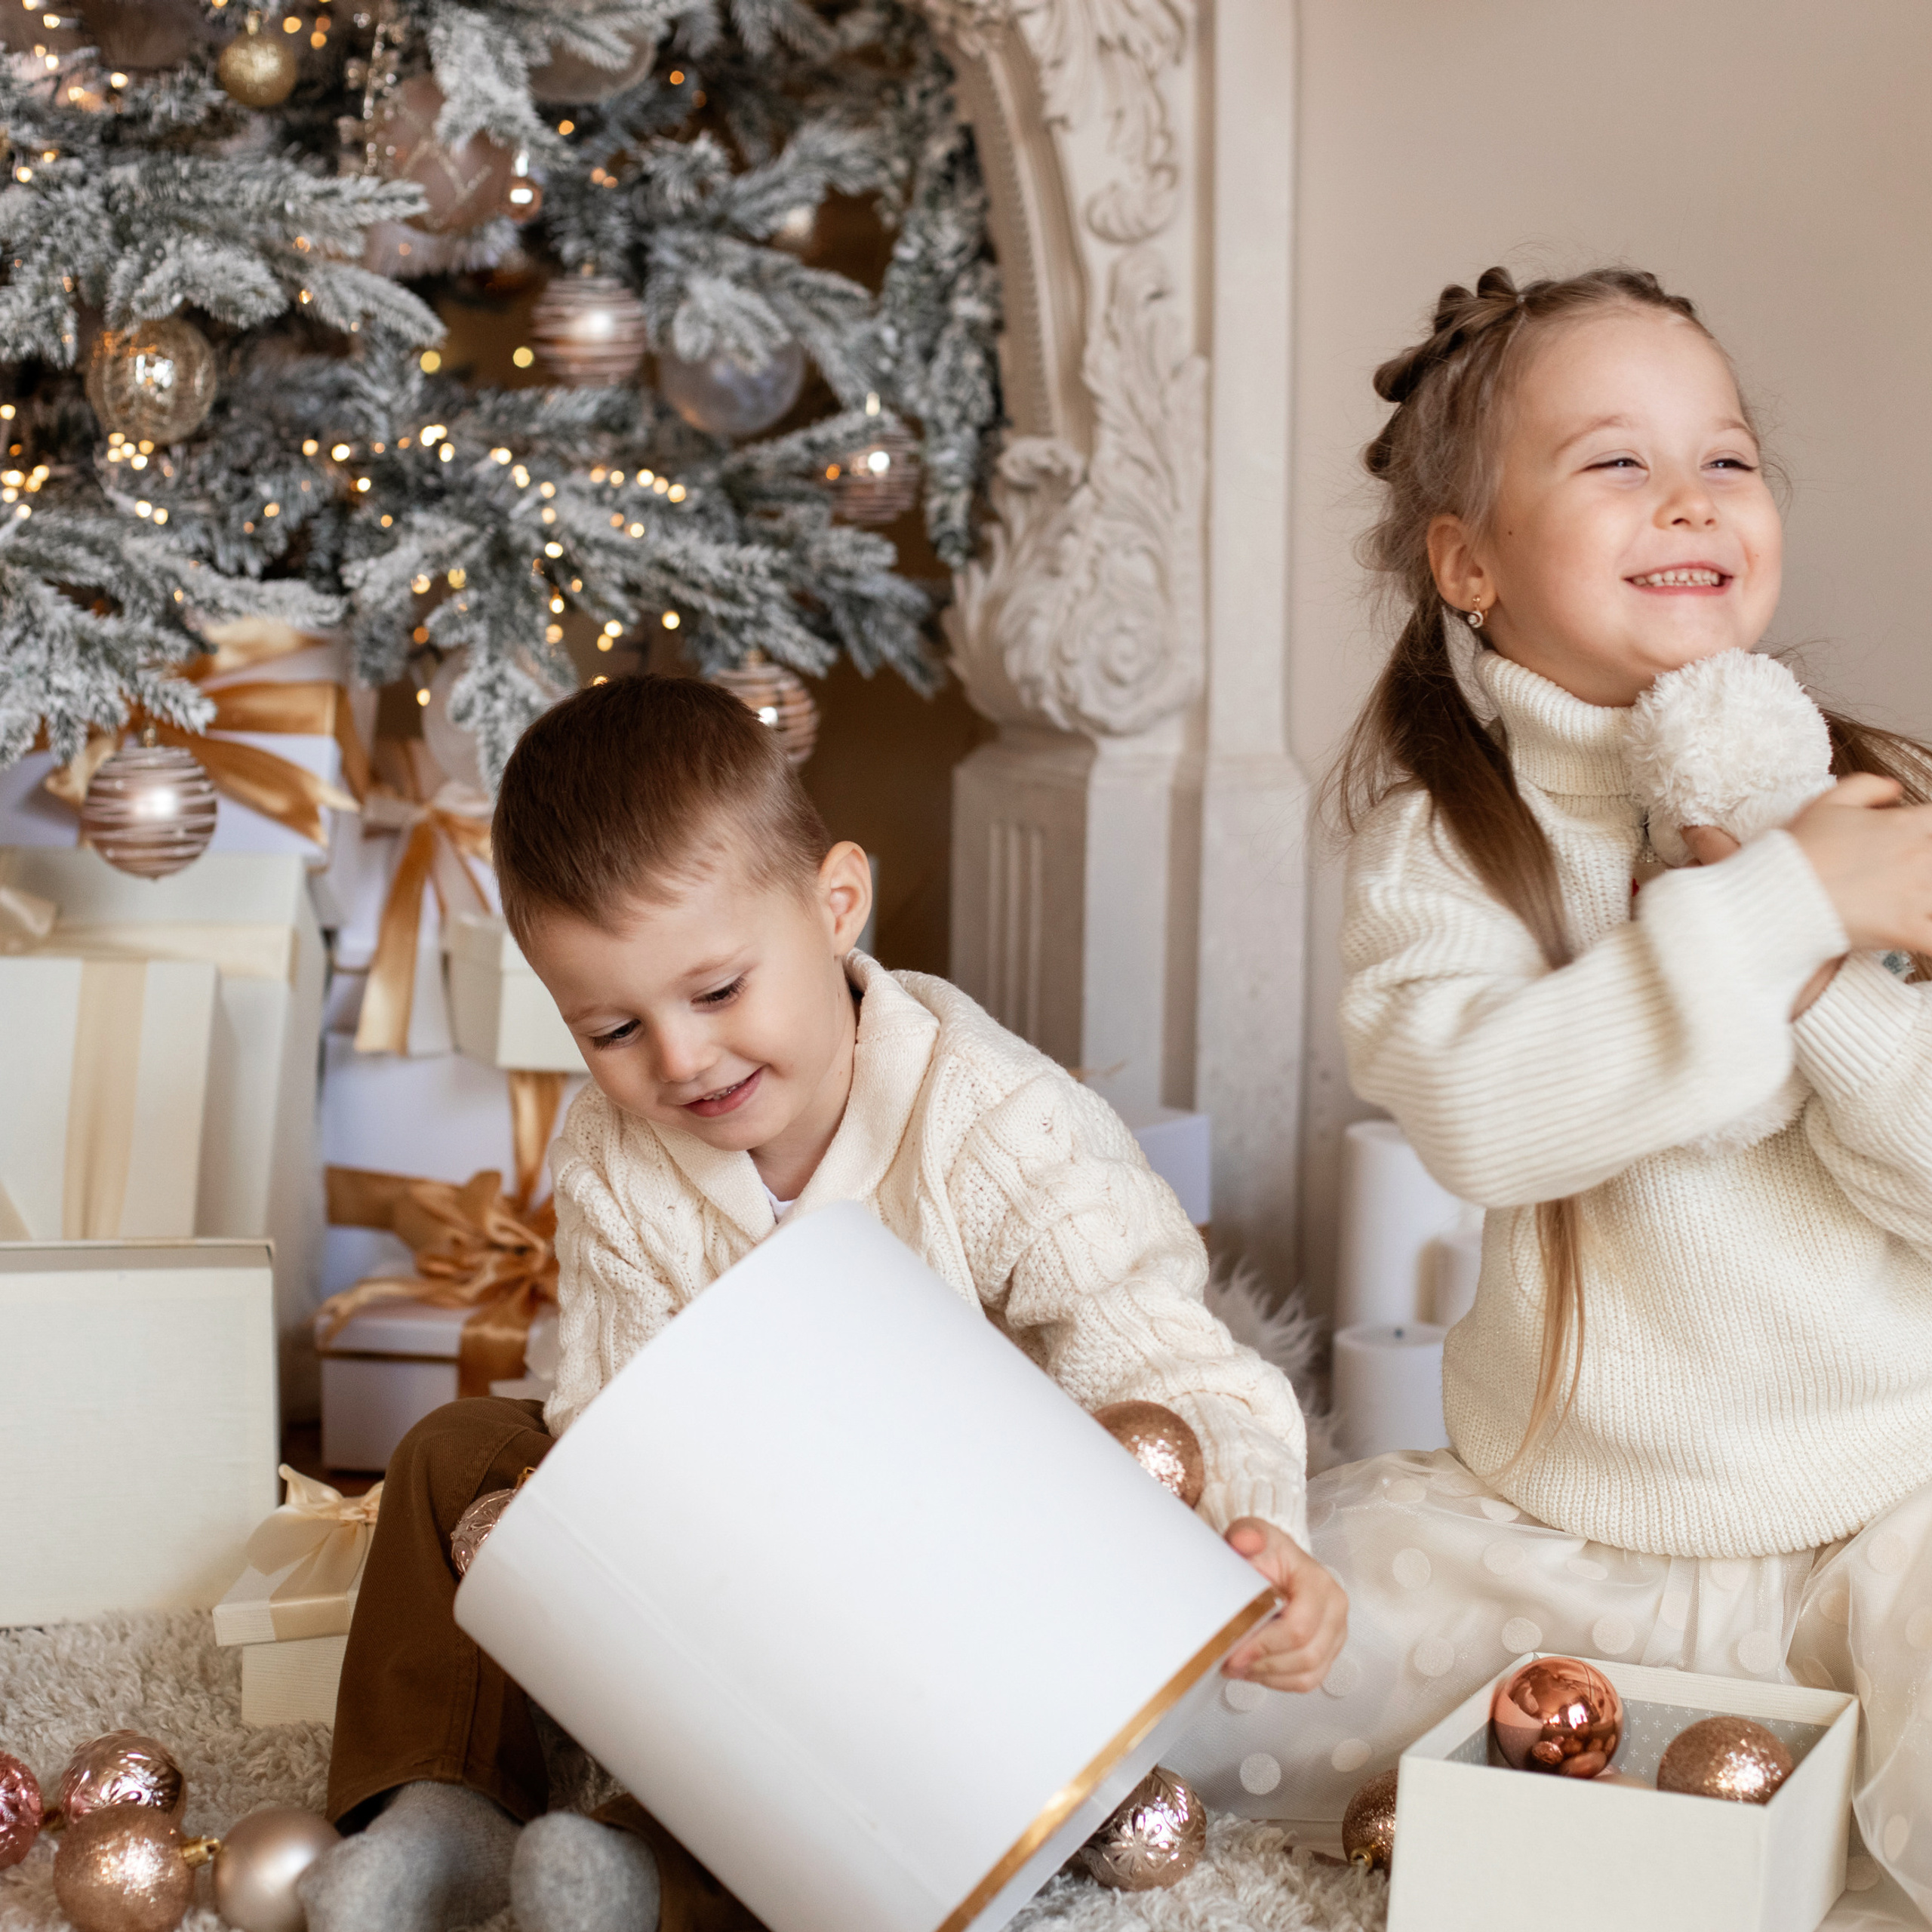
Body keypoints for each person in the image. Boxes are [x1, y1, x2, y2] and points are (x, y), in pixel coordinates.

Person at [298, 674, 1345, 1932]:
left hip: (965, 1573)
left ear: (835, 906)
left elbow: (1165, 1358)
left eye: (719, 992)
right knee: (450, 1454)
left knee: (831, 1709)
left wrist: (1249, 1538)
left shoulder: (1003, 1124)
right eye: (613, 1027)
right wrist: (582, 1539)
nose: (681, 1061)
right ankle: (441, 1800)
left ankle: (659, 1871)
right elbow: (616, 1406)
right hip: (728, 1538)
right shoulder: (611, 1153)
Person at [1171, 262, 1932, 1909]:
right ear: (1467, 562)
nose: (1687, 496)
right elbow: (1487, 1109)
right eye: (1612, 462)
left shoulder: (1873, 811)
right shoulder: (1444, 847)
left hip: (1888, 1491)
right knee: (1240, 1688)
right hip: (1571, 1524)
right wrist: (1773, 913)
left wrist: (1833, 979)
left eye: (1724, 457)